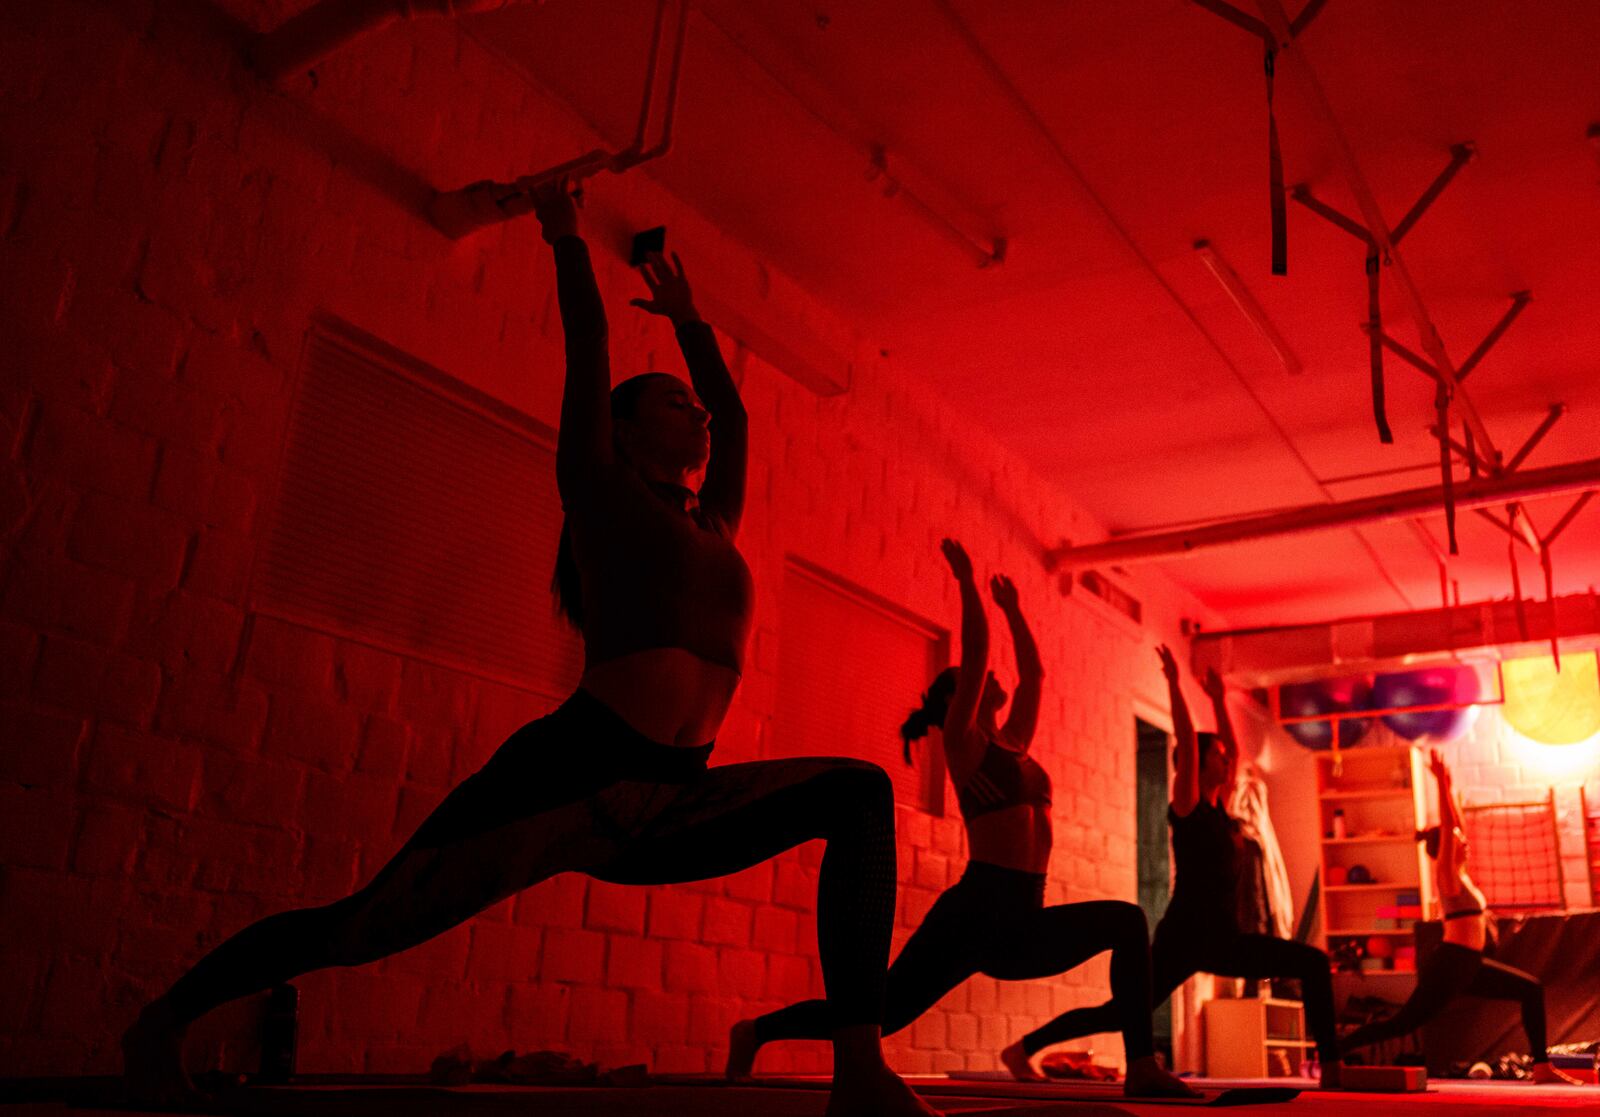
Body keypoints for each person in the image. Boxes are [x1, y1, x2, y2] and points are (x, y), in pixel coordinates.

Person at [122, 181, 937, 1117]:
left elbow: (739, 417)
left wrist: (693, 327)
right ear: (627, 431)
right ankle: (162, 1019)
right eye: (676, 404)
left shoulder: (715, 520)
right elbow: (588, 350)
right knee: (360, 926)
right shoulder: (598, 489)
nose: (701, 417)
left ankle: (859, 1071)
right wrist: (564, 238)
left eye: (696, 407)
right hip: (563, 782)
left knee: (860, 792)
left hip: (670, 796)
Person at [727, 539, 1196, 1098]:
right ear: (959, 701)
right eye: (977, 681)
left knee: (1126, 920)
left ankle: (1142, 1066)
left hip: (1025, 915)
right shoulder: (964, 741)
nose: (991, 678)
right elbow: (975, 655)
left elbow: (1035, 678)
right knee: (884, 1010)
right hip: (975, 911)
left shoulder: (1014, 741)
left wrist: (1017, 611)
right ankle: (757, 1031)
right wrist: (967, 584)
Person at [1016, 647, 1345, 1086]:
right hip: (1184, 937)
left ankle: (1332, 1067)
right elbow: (1188, 743)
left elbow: (1235, 751)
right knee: (1118, 1014)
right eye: (1218, 755)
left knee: (1312, 963)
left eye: (1226, 756)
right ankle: (1021, 1049)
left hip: (1223, 940)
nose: (1227, 760)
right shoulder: (1186, 805)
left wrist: (1217, 698)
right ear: (1196, 763)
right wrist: (1174, 684)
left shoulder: (1221, 810)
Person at [1339, 749, 1580, 1084]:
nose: (1464, 843)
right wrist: (1439, 784)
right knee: (1404, 1023)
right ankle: (1334, 1051)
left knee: (1531, 990)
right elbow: (1451, 826)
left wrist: (1450, 786)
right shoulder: (1446, 877)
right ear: (1445, 852)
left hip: (1471, 965)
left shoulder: (1462, 876)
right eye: (1457, 843)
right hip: (1451, 964)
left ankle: (1541, 1066)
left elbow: (1457, 826)